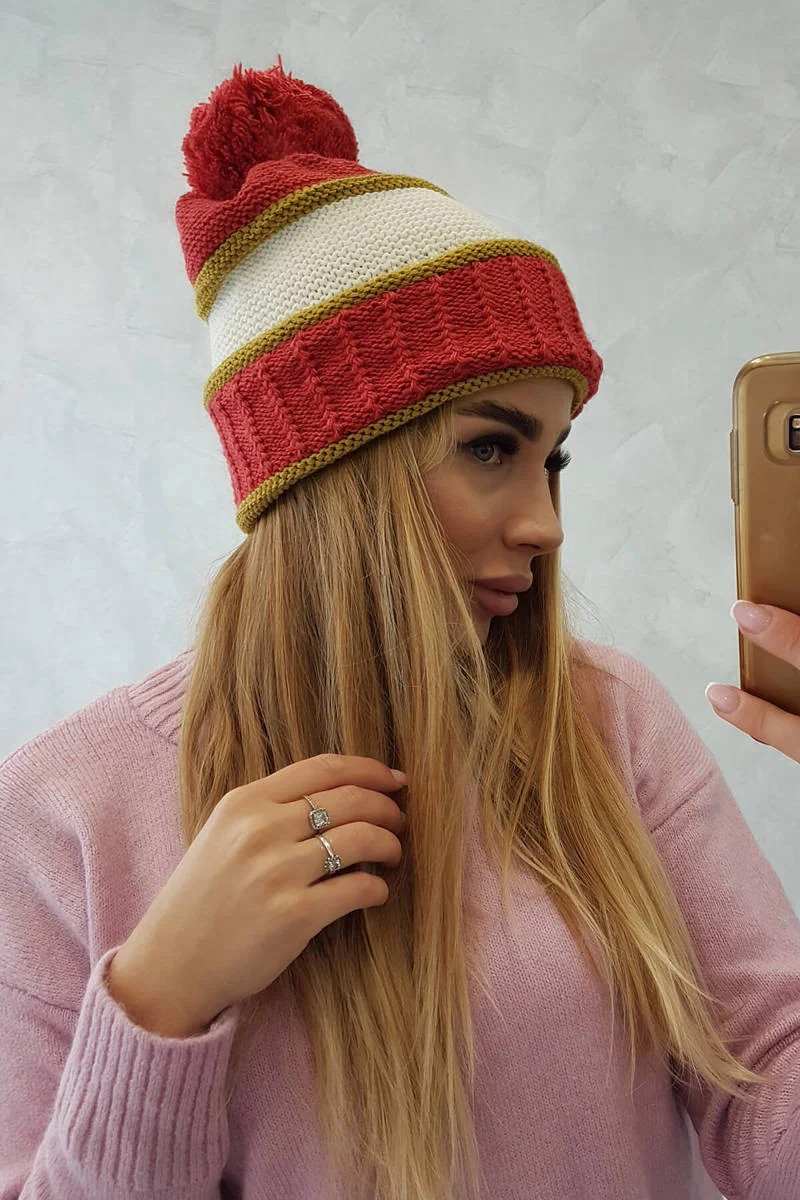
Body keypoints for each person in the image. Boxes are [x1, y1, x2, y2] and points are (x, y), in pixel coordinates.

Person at [1, 57, 799, 1200]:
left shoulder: (605, 722)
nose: (543, 524)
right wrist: (161, 998)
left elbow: (762, 1092)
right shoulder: (59, 814)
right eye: (489, 447)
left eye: (550, 459)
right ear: (330, 471)